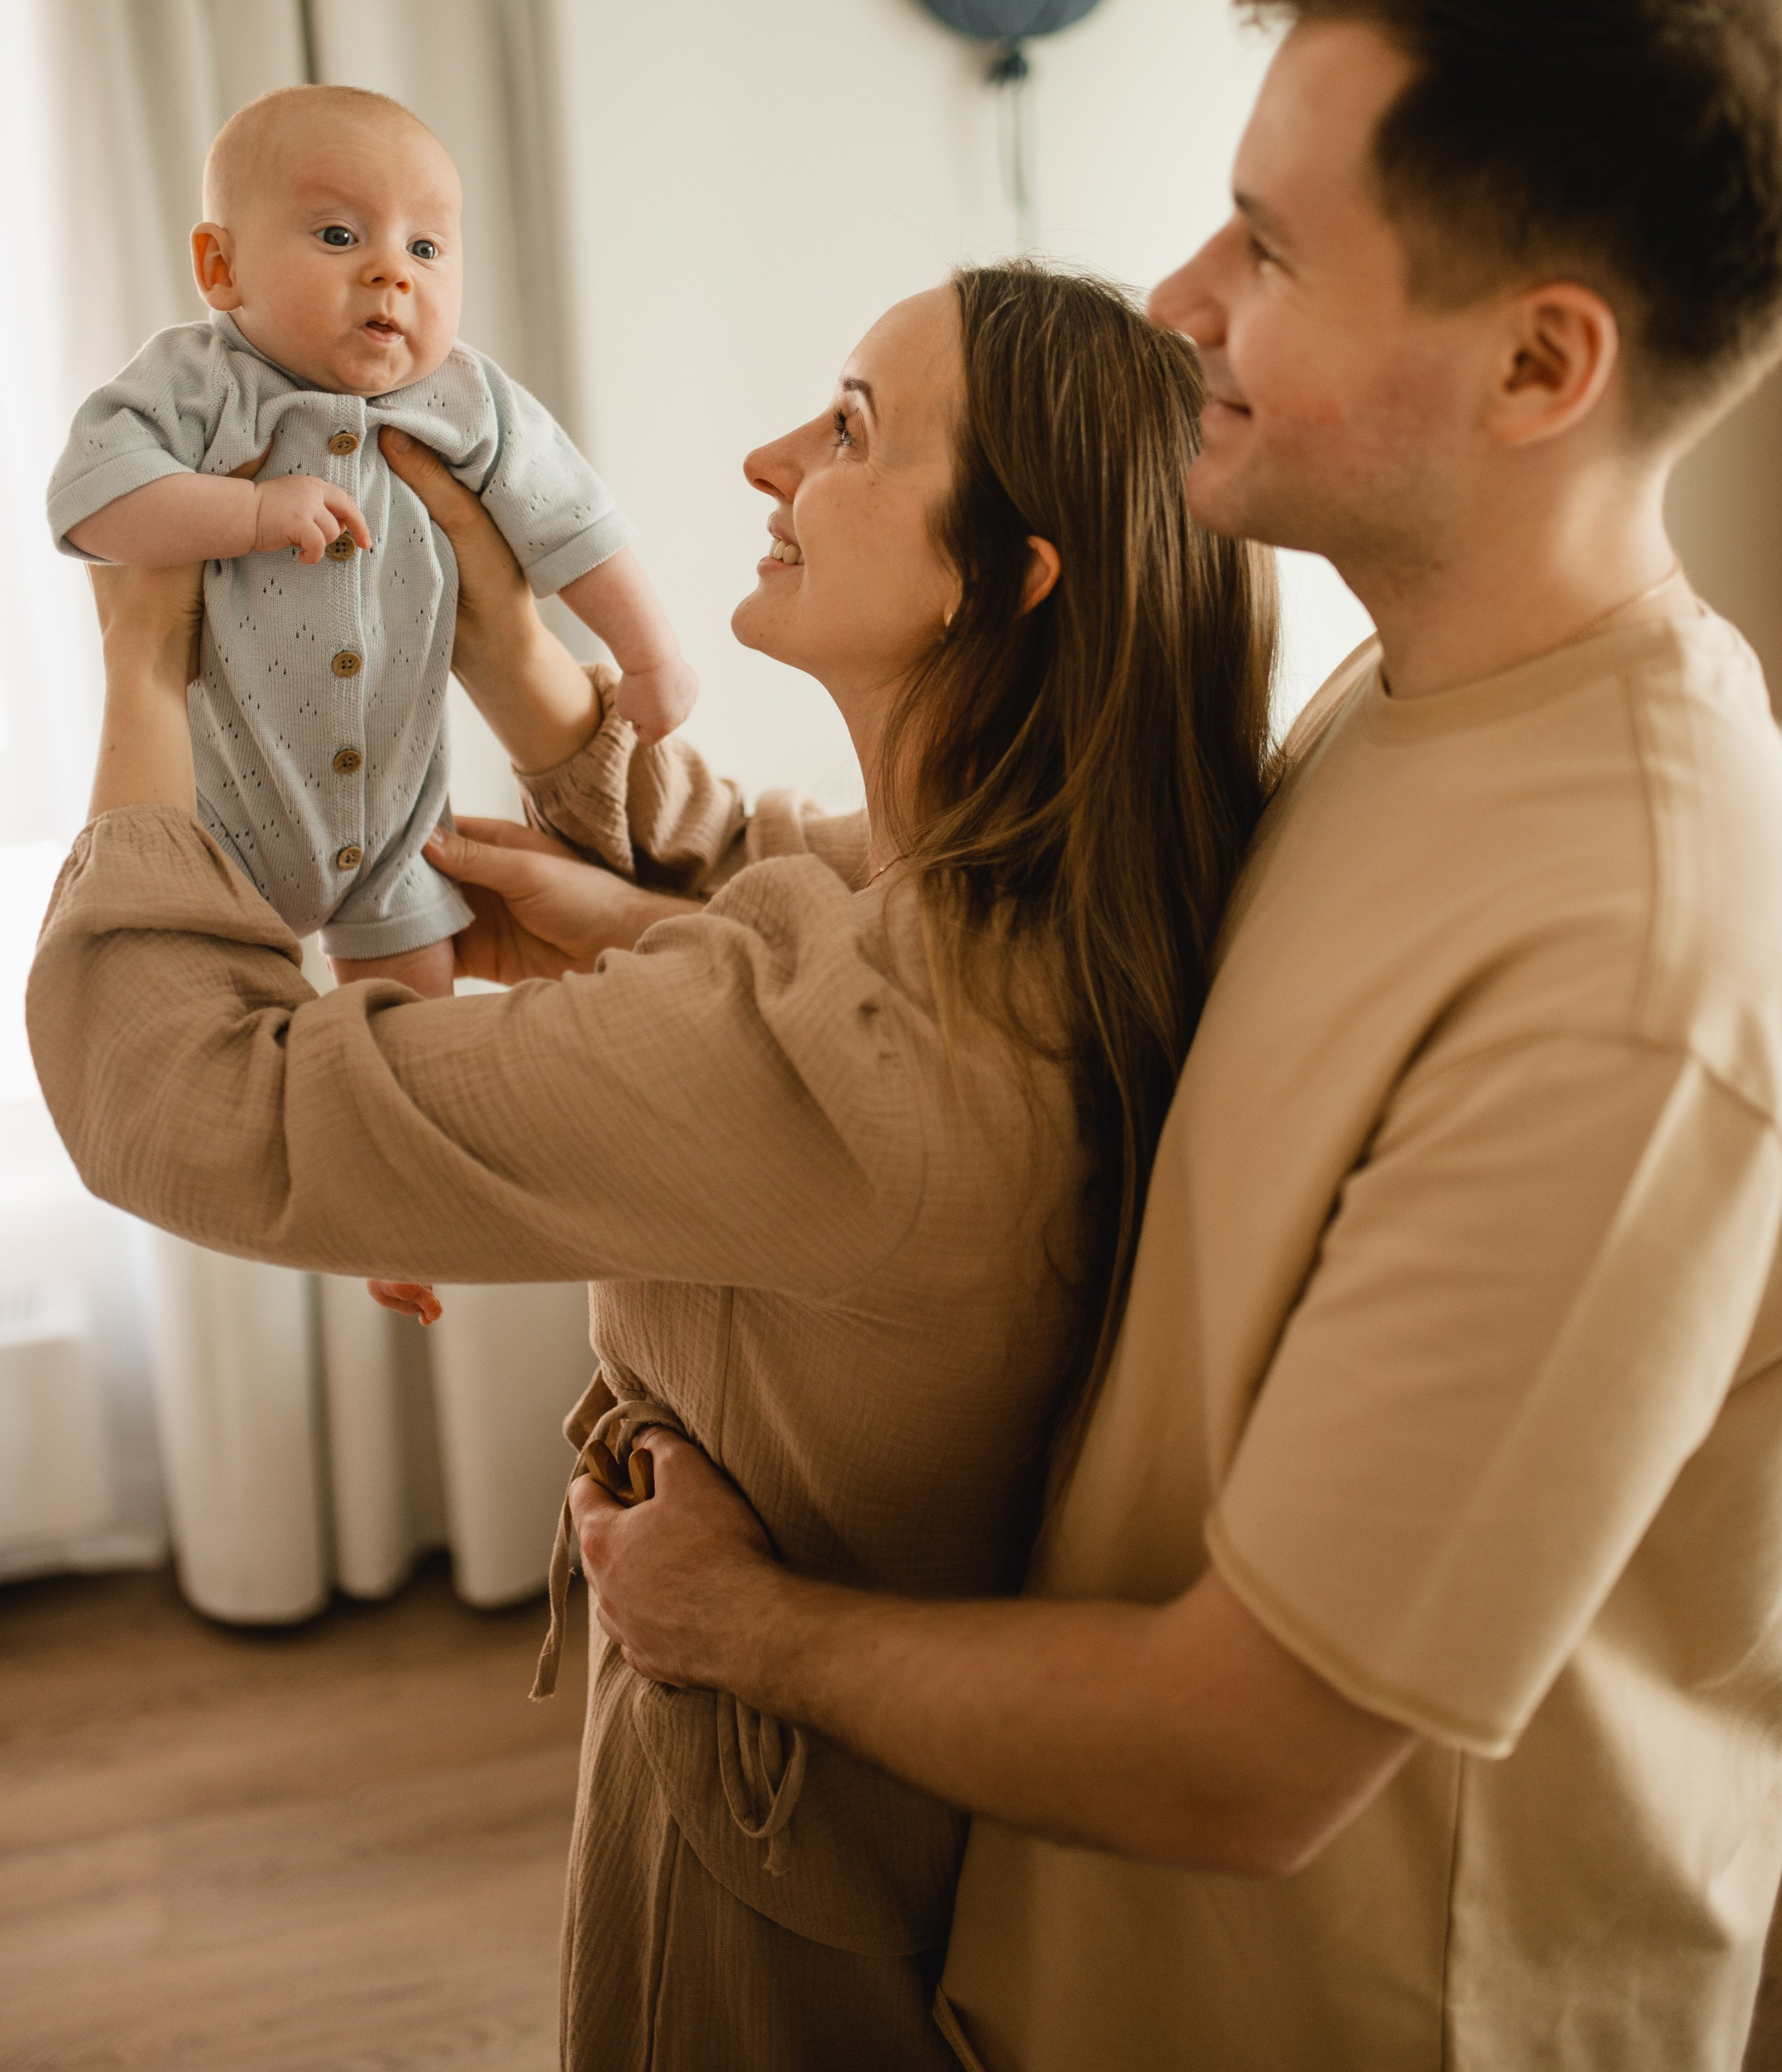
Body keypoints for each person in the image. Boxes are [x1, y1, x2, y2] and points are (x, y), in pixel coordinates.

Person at [564, 0, 1782, 2072]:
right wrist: (642, 894)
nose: (1179, 296)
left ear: (1541, 363)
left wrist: (756, 1630)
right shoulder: (1403, 698)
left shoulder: (1637, 956)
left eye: (1273, 253)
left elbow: (1254, 1753)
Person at [27, 265, 1276, 2072]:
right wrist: (519, 662)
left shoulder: (858, 1057)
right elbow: (780, 879)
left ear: (1008, 577)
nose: (770, 461)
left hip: (781, 1874)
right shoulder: (1052, 901)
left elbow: (182, 1095)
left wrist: (149, 668)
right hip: (864, 1828)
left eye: (848, 428)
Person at [48, 83, 695, 1011]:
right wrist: (252, 517)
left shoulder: (470, 400)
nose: (394, 274)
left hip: (395, 826)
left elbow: (578, 523)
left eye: (426, 248)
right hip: (222, 811)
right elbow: (92, 502)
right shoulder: (199, 381)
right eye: (341, 237)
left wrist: (649, 652)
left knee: (409, 1052)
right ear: (221, 266)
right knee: (209, 1019)